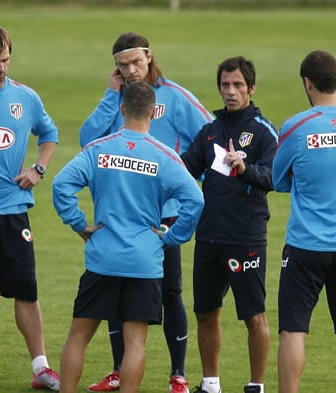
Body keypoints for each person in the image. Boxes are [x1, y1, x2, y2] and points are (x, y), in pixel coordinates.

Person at [79, 31, 212, 393]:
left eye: (136, 62)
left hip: (163, 218)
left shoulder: (176, 96)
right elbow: (87, 141)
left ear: (149, 56)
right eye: (123, 65)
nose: (131, 70)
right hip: (119, 215)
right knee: (115, 297)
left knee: (170, 292)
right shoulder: (119, 102)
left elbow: (210, 138)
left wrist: (187, 178)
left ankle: (178, 375)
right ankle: (119, 371)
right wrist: (110, 94)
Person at [52, 81, 204, 393]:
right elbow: (196, 201)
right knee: (135, 342)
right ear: (152, 113)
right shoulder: (165, 157)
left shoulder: (98, 150)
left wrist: (78, 223)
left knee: (78, 335)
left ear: (122, 109)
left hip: (102, 258)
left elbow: (60, 185)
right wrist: (173, 236)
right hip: (143, 261)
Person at [0, 25, 60, 391]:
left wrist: (38, 169)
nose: (1, 67)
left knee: (26, 289)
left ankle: (41, 368)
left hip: (14, 208)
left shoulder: (26, 97)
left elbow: (49, 134)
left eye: (5, 59)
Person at [272, 50, 336, 393]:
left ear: (307, 83)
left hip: (304, 245)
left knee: (293, 330)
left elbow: (278, 178)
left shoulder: (295, 126)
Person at [180, 56, 277, 393]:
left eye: (237, 85)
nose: (230, 91)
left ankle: (256, 385)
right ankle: (210, 384)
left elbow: (274, 176)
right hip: (208, 236)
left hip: (245, 236)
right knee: (206, 312)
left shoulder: (263, 131)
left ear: (251, 88)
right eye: (225, 85)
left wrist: (244, 168)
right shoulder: (210, 131)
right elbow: (183, 170)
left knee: (254, 316)